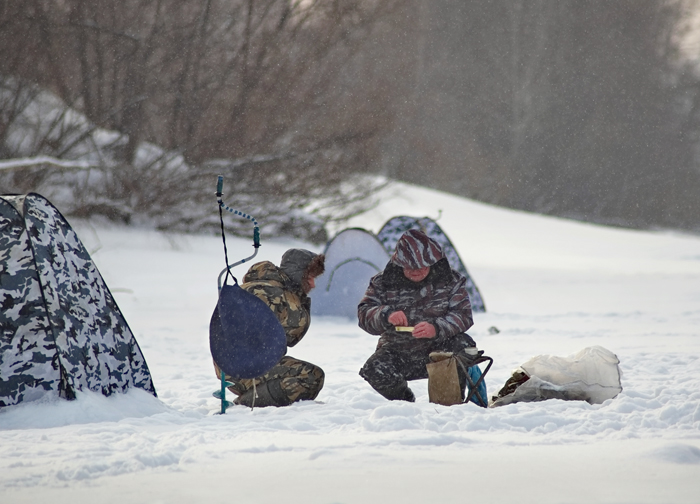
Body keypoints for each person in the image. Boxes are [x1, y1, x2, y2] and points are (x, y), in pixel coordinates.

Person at [357, 229, 477, 402]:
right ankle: (404, 401)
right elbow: (364, 313)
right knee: (374, 369)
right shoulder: (382, 282)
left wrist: (436, 328)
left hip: (440, 348)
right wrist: (386, 315)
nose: (416, 271)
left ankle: (449, 403)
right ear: (400, 263)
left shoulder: (451, 281)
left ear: (432, 262)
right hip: (398, 350)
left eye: (421, 267)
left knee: (464, 346)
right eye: (410, 267)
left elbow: (463, 315)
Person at [214, 249, 325, 407]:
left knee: (307, 375)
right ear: (297, 272)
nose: (313, 284)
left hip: (233, 365)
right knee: (310, 377)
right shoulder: (270, 293)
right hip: (242, 366)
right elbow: (293, 332)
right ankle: (245, 403)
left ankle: (255, 395)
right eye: (309, 277)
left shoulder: (265, 288)